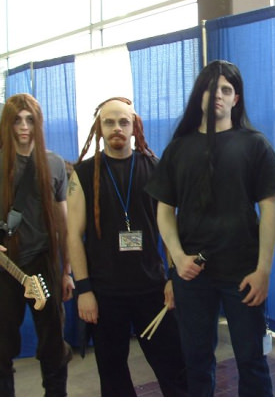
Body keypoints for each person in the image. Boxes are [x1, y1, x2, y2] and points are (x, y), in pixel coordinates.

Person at [145, 60, 275, 397]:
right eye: (211, 88)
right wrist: (177, 259)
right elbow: (164, 211)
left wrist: (263, 271)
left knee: (252, 359)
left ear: (236, 99)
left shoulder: (254, 144)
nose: (218, 95)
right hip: (192, 273)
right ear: (200, 95)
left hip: (243, 272)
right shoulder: (178, 148)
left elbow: (269, 211)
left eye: (226, 89)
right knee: (196, 361)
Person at [66, 97, 188, 397]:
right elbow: (73, 236)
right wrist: (84, 290)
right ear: (100, 128)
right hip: (104, 293)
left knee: (175, 370)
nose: (117, 128)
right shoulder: (83, 174)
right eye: (109, 122)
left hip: (152, 288)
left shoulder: (155, 168)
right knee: (113, 379)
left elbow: (170, 229)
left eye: (124, 122)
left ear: (135, 127)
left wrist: (173, 277)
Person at [0, 93, 73, 397]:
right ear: (7, 124)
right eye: (17, 120)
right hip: (4, 265)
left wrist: (66, 272)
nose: (24, 126)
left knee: (53, 345)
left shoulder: (54, 164)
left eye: (30, 120)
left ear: (38, 123)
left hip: (43, 263)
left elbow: (64, 225)